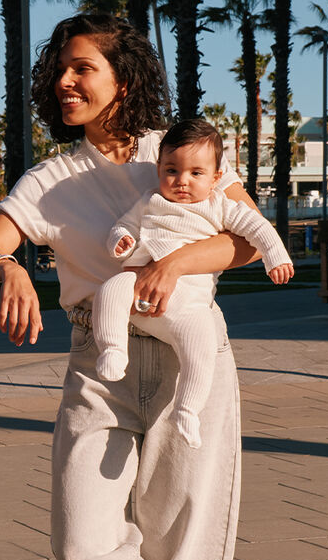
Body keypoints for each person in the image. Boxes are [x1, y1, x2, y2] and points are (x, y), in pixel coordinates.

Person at [0, 15, 266, 560]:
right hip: (99, 358)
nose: (66, 81)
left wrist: (175, 264)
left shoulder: (182, 153)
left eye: (82, 68)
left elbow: (243, 236)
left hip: (190, 356)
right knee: (84, 543)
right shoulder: (51, 179)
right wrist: (8, 272)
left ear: (121, 78)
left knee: (177, 546)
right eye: (60, 69)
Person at [92, 116, 293, 447]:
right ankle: (113, 349)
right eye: (172, 170)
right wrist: (121, 240)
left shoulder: (220, 206)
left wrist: (277, 256)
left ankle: (187, 409)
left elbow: (257, 228)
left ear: (215, 178)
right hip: (137, 286)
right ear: (159, 169)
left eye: (195, 173)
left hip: (189, 303)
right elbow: (124, 226)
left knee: (202, 346)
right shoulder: (149, 201)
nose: (181, 181)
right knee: (109, 291)